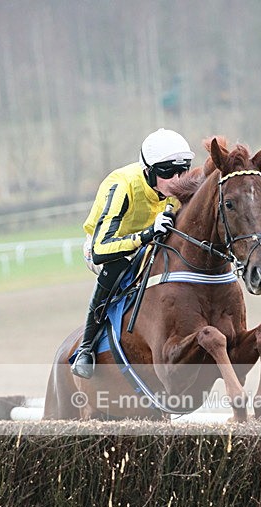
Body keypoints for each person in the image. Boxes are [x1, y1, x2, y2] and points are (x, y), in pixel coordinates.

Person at [71, 128, 195, 378]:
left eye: (184, 170)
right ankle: (87, 347)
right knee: (116, 266)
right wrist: (146, 235)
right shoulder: (121, 185)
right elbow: (99, 250)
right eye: (168, 172)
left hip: (151, 243)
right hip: (109, 248)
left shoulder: (177, 187)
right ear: (148, 171)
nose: (178, 179)